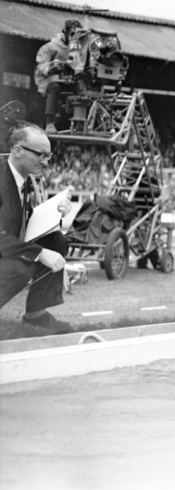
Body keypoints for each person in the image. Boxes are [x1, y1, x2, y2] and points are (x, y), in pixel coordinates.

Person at [0, 124, 73, 333]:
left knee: (55, 240)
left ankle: (36, 315)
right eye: (41, 155)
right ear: (18, 151)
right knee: (22, 267)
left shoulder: (22, 180)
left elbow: (17, 222)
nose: (47, 162)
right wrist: (39, 253)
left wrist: (55, 214)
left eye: (49, 156)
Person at [34, 19, 82, 133]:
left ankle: (80, 123)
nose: (75, 37)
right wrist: (57, 66)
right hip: (49, 81)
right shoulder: (49, 47)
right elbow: (42, 68)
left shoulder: (77, 48)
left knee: (83, 89)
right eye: (72, 34)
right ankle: (49, 123)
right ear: (65, 32)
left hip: (68, 81)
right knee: (54, 87)